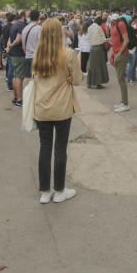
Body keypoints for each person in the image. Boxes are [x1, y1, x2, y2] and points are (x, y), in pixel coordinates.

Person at [31, 19, 82, 203]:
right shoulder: (68, 54)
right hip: (62, 108)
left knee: (44, 148)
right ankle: (60, 190)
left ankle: (45, 191)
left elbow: (35, 77)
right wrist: (67, 77)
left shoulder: (38, 54)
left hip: (41, 107)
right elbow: (77, 79)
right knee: (60, 149)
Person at [109, 14, 131, 112]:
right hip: (117, 53)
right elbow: (115, 40)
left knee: (121, 79)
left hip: (121, 54)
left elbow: (126, 40)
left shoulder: (120, 24)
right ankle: (123, 102)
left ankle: (125, 103)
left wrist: (119, 53)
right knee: (120, 79)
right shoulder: (114, 25)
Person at [6, 11, 28, 107]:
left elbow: (10, 39)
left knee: (16, 76)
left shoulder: (14, 25)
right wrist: (11, 45)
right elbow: (18, 38)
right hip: (19, 54)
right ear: (23, 16)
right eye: (27, 15)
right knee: (19, 77)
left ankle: (15, 98)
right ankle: (19, 99)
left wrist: (9, 46)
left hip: (14, 54)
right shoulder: (21, 25)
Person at [86, 16, 109, 89]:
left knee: (91, 66)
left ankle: (89, 82)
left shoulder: (89, 28)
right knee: (99, 66)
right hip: (98, 48)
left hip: (92, 48)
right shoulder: (99, 28)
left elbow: (88, 38)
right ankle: (98, 84)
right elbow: (103, 38)